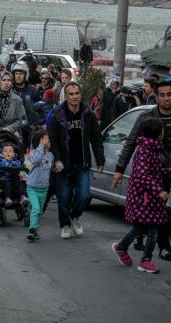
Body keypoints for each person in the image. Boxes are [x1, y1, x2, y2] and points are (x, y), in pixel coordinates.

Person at [112, 80, 171, 260]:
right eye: (162, 95)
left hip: (167, 171)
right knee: (154, 211)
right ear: (156, 97)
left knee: (157, 210)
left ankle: (142, 243)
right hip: (148, 173)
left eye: (169, 94)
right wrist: (119, 169)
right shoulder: (146, 117)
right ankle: (159, 246)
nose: (166, 98)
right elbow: (131, 142)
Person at [111, 117, 170, 274]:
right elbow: (143, 175)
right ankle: (129, 252)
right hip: (142, 198)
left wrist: (170, 171)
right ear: (159, 133)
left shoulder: (153, 149)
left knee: (151, 230)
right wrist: (159, 191)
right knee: (141, 229)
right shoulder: (144, 151)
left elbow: (155, 170)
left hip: (150, 198)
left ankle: (141, 258)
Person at [48, 82, 105, 239]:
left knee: (84, 196)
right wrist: (57, 160)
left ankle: (74, 216)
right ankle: (64, 225)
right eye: (71, 94)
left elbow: (96, 138)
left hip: (82, 164)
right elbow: (53, 140)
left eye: (77, 93)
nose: (74, 96)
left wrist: (100, 160)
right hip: (63, 165)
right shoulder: (57, 114)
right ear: (66, 96)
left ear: (81, 95)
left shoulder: (88, 114)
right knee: (64, 197)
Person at [26, 130, 54, 242]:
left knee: (40, 211)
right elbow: (35, 160)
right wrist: (41, 147)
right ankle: (32, 230)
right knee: (36, 209)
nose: (48, 141)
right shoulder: (34, 153)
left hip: (44, 188)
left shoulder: (50, 155)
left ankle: (35, 230)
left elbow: (51, 167)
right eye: (46, 139)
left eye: (48, 140)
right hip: (32, 188)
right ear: (40, 141)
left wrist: (57, 166)